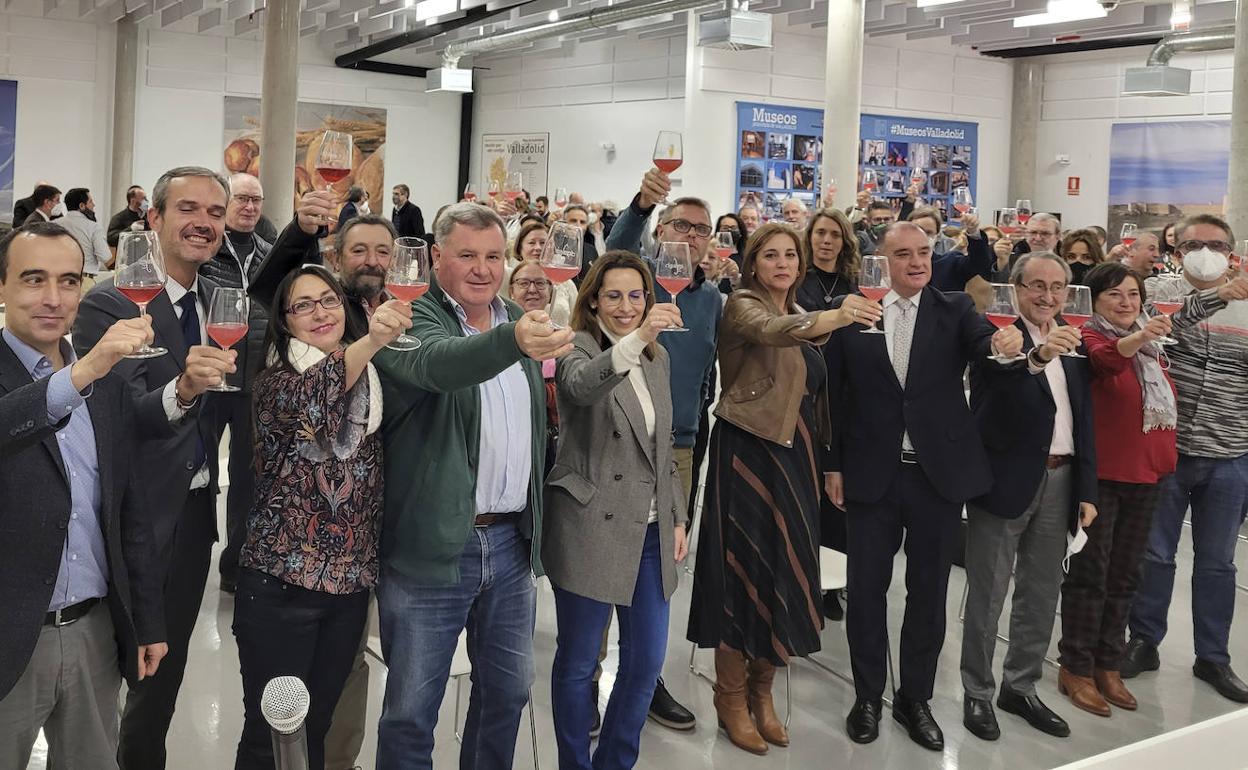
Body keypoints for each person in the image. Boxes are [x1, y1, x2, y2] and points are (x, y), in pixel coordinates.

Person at [371, 203, 574, 769]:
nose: (483, 269)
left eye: (493, 256)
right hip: (435, 547)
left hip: (509, 545)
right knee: (412, 710)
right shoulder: (408, 316)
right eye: (467, 256)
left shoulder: (514, 317)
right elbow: (439, 365)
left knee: (507, 693)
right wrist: (514, 341)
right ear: (437, 258)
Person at [825, 221, 1023, 751]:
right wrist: (834, 465)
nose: (917, 262)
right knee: (866, 591)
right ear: (880, 261)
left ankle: (916, 698)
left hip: (937, 476)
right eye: (904, 254)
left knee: (929, 593)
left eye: (925, 253)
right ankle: (868, 695)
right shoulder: (855, 312)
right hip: (871, 473)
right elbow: (836, 397)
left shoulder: (955, 308)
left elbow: (987, 350)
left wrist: (1007, 346)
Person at [688, 223, 882, 755]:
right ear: (753, 262)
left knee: (786, 569)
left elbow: (817, 382)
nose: (782, 262)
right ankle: (730, 697)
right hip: (748, 448)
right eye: (770, 254)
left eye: (789, 254)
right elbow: (772, 330)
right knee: (740, 569)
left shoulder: (802, 313)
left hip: (797, 453)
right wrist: (835, 316)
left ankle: (762, 691)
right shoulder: (743, 305)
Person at [72, 166, 236, 770]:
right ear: (154, 218)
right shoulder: (109, 304)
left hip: (194, 516)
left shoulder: (217, 302)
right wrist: (186, 390)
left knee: (161, 680)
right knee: (102, 676)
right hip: (127, 519)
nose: (204, 223)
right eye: (188, 209)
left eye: (215, 213)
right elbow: (121, 417)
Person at [0, 223, 170, 768]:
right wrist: (83, 372)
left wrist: (145, 620)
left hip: (95, 630)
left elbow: (127, 511)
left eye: (68, 281)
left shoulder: (111, 383)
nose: (53, 298)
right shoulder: (93, 372)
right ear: (1, 287)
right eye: (33, 279)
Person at [232, 264, 410, 770]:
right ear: (285, 322)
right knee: (269, 735)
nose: (320, 313)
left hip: (350, 587)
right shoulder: (276, 383)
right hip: (280, 585)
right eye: (303, 305)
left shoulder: (373, 379)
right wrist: (373, 340)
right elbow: (318, 392)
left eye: (328, 300)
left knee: (318, 728)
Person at [1056, 260, 1242, 718]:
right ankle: (1075, 666)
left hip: (1150, 473)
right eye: (1115, 294)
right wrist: (1141, 336)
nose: (1126, 302)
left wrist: (1147, 335)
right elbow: (1106, 362)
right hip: (1104, 476)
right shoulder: (1090, 336)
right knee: (1090, 577)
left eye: (1134, 294)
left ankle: (1108, 663)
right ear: (1095, 300)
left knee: (1126, 577)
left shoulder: (1154, 342)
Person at [546, 251, 688, 769]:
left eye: (636, 295)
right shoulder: (576, 345)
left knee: (646, 662)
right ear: (593, 301)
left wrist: (677, 515)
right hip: (590, 526)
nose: (627, 306)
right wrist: (637, 338)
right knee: (580, 663)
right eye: (614, 295)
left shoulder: (658, 357)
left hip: (649, 529)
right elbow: (583, 387)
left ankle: (614, 761)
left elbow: (662, 444)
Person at [962, 251, 1099, 742]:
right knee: (988, 594)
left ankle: (1020, 687)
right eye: (1037, 285)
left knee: (1041, 594)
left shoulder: (1076, 341)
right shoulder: (997, 334)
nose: (1047, 295)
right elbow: (998, 384)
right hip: (1004, 481)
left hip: (1062, 480)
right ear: (1015, 287)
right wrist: (1037, 357)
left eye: (1058, 286)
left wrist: (1087, 487)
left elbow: (1083, 420)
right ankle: (977, 693)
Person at [607, 168, 724, 732]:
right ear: (661, 231)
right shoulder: (638, 279)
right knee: (605, 560)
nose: (691, 235)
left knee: (657, 572)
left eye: (701, 228)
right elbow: (614, 249)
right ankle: (591, 677)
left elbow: (705, 374)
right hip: (617, 436)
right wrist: (639, 204)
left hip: (678, 448)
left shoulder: (714, 301)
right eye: (680, 224)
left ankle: (645, 679)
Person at [1125, 217, 1248, 703]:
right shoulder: (1155, 290)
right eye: (1195, 243)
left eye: (1216, 245)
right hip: (1167, 447)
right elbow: (1160, 331)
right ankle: (1144, 640)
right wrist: (1223, 295)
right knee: (1154, 555)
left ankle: (1213, 656)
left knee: (1218, 563)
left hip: (1231, 451)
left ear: (1232, 251)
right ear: (1178, 248)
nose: (1205, 251)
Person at [198, 173, 274, 595]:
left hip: (253, 385)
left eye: (256, 201)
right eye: (241, 199)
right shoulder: (207, 252)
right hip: (209, 379)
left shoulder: (268, 254)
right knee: (201, 472)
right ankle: (192, 549)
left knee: (247, 480)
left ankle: (235, 565)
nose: (248, 207)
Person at [794, 206, 860, 618]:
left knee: (838, 494)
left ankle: (832, 586)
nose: (826, 240)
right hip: (805, 391)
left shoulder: (856, 284)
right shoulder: (797, 283)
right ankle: (803, 575)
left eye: (834, 234)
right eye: (820, 233)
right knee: (807, 487)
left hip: (848, 394)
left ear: (844, 241)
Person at [909, 207, 992, 292]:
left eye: (928, 232)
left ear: (937, 236)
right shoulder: (896, 264)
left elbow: (980, 264)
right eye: (918, 231)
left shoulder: (951, 263)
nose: (923, 236)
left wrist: (974, 233)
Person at [59, 188, 111, 282]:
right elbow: (105, 256)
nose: (94, 205)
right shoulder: (93, 227)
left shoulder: (54, 225)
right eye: (91, 201)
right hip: (84, 280)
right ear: (82, 206)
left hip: (59, 279)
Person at [563, 204, 601, 282]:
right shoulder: (553, 248)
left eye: (582, 222)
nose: (578, 225)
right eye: (573, 221)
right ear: (564, 223)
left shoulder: (592, 250)